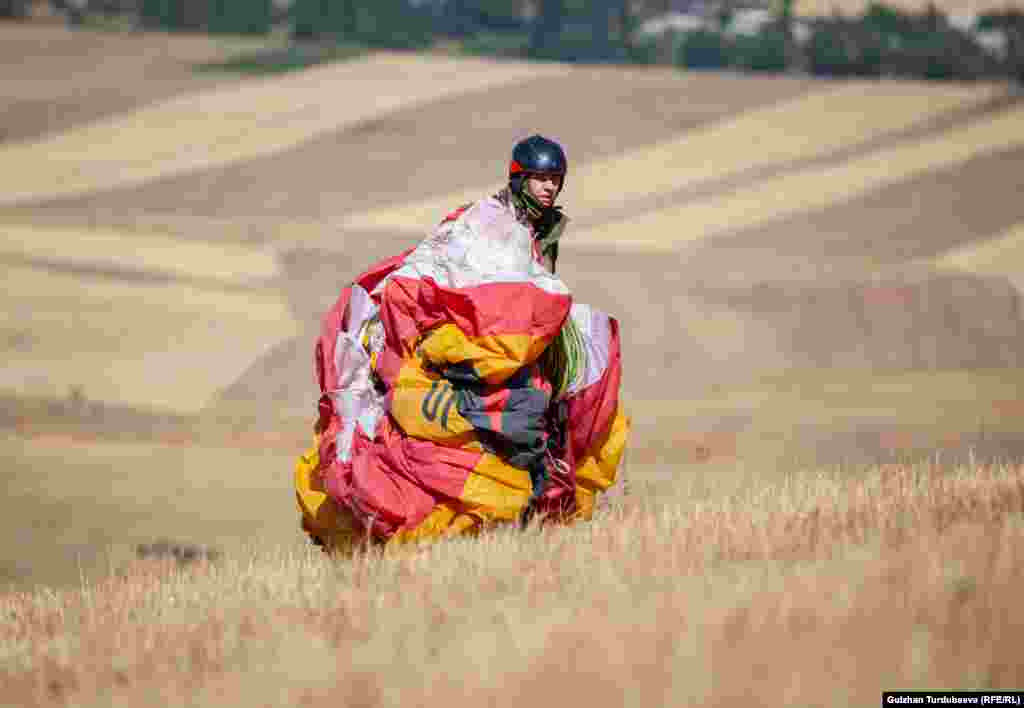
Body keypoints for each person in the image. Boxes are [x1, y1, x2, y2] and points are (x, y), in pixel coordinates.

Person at [294, 135, 629, 552]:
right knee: (509, 418)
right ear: (518, 178)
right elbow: (455, 269)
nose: (548, 187)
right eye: (539, 178)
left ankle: (529, 520)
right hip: (459, 339)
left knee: (552, 408)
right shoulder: (488, 220)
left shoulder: (539, 226)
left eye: (554, 179)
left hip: (509, 339)